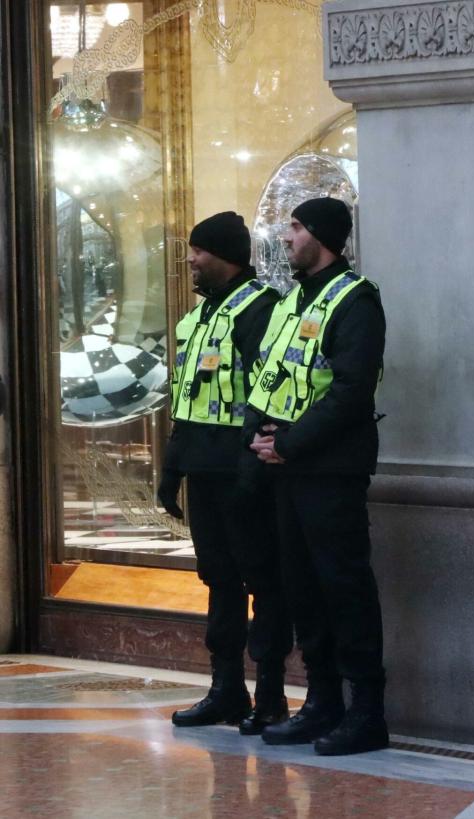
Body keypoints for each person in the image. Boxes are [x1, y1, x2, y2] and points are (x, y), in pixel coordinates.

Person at [242, 197, 389, 756]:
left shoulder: (356, 301)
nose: (286, 236)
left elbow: (352, 391)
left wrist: (291, 443)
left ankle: (366, 713)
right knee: (303, 589)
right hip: (284, 468)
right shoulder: (290, 302)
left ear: (322, 236)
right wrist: (259, 435)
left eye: (297, 227)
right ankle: (322, 702)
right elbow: (268, 375)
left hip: (329, 469)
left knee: (343, 587)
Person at [159, 211, 293, 734]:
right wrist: (172, 470)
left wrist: (251, 467)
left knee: (263, 579)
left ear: (226, 256)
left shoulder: (261, 310)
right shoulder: (195, 319)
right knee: (218, 579)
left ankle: (272, 694)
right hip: (203, 471)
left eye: (199, 250)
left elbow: (270, 392)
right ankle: (226, 689)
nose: (190, 259)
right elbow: (185, 400)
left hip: (245, 473)